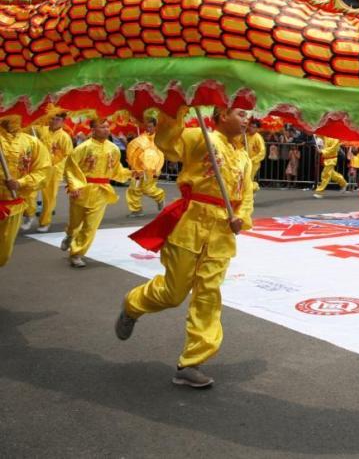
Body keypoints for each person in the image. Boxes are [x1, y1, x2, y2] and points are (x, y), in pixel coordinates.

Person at [117, 105, 254, 389]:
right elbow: (168, 144)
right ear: (220, 115)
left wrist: (241, 218)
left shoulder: (244, 156)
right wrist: (174, 111)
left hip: (221, 232)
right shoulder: (198, 136)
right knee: (173, 292)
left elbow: (246, 194)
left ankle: (192, 362)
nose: (247, 119)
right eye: (240, 114)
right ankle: (133, 305)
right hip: (190, 222)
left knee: (208, 294)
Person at [64, 119, 133, 267]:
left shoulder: (114, 149)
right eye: (102, 126)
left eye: (108, 126)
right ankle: (70, 234)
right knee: (75, 222)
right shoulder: (83, 147)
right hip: (83, 189)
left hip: (102, 191)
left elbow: (116, 171)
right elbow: (70, 168)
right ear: (93, 129)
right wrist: (74, 186)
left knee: (91, 226)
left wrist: (131, 173)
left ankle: (77, 253)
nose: (106, 129)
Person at [0, 117, 50, 267]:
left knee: (4, 252)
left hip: (13, 205)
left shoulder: (32, 142)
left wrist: (20, 182)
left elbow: (43, 170)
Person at [32, 113, 74, 233]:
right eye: (52, 118)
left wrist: (57, 167)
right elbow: (29, 126)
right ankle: (29, 212)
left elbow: (68, 156)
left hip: (53, 171)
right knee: (29, 191)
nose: (54, 121)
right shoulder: (41, 130)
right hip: (37, 168)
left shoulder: (64, 137)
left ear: (63, 121)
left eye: (58, 119)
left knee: (49, 198)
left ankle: (45, 222)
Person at [125, 117, 167, 217]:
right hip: (139, 169)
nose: (148, 128)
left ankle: (159, 197)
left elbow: (160, 154)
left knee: (147, 188)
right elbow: (134, 150)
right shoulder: (141, 138)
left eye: (150, 126)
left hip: (151, 170)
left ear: (155, 126)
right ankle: (136, 210)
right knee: (134, 187)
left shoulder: (159, 139)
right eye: (146, 126)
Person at [245, 120, 266, 191]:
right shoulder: (246, 135)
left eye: (253, 127)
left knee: (248, 179)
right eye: (250, 126)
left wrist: (253, 160)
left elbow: (262, 152)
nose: (251, 128)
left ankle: (254, 188)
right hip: (245, 161)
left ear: (257, 129)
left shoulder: (258, 138)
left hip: (253, 163)